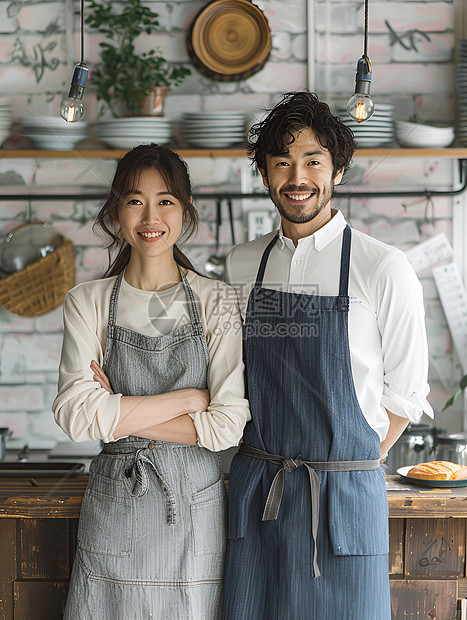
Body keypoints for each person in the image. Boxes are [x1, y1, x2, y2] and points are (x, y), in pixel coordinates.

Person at [221, 92, 433, 620]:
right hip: (259, 493)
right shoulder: (242, 263)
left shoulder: (383, 267)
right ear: (265, 173)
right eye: (282, 161)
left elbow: (406, 395)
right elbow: (229, 377)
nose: (299, 176)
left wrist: (351, 458)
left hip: (343, 499)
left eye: (313, 160)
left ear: (336, 169)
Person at [52, 144, 250, 620]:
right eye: (135, 200)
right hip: (117, 509)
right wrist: (186, 399)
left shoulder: (216, 299)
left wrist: (118, 413)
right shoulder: (88, 302)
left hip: (195, 511)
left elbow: (229, 426)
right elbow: (76, 416)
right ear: (115, 211)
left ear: (184, 211)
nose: (150, 215)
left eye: (166, 200)